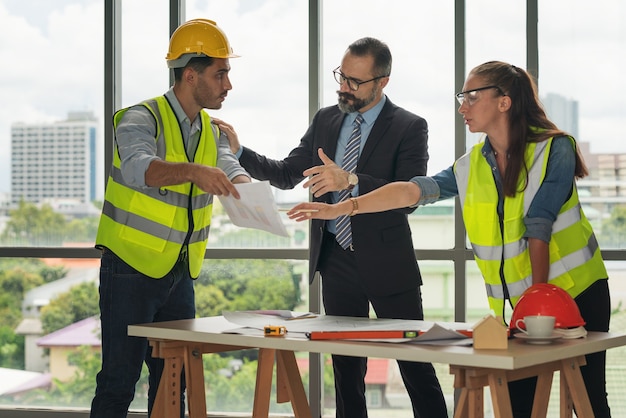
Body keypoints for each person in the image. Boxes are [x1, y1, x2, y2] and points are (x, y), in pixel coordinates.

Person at [288, 60, 612, 418]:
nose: (462, 107)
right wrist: (345, 204)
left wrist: (536, 299)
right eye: (462, 97)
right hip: (523, 306)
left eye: (471, 97)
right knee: (520, 402)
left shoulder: (555, 148)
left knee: (586, 399)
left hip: (576, 294)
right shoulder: (469, 166)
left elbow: (540, 223)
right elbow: (410, 191)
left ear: (504, 101)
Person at [215, 37, 448, 418]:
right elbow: (289, 173)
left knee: (415, 365)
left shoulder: (409, 126)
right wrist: (240, 153)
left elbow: (408, 195)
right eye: (342, 77)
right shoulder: (326, 119)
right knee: (346, 371)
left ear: (382, 82)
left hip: (388, 262)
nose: (344, 88)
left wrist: (351, 180)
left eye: (355, 82)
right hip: (336, 259)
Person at [90, 19, 250, 418]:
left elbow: (230, 169)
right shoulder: (139, 118)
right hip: (130, 268)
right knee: (118, 381)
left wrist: (251, 192)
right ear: (190, 75)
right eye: (221, 74)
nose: (228, 85)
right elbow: (138, 169)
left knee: (172, 384)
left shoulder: (211, 132)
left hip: (179, 271)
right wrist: (195, 172)